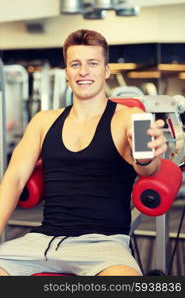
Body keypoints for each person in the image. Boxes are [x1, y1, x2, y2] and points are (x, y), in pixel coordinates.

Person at [0, 29, 167, 276]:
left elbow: (147, 168)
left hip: (104, 245)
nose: (83, 72)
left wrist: (148, 156)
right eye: (75, 64)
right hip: (43, 242)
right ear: (67, 72)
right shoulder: (43, 121)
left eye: (93, 63)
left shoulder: (127, 118)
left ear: (106, 70)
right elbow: (13, 181)